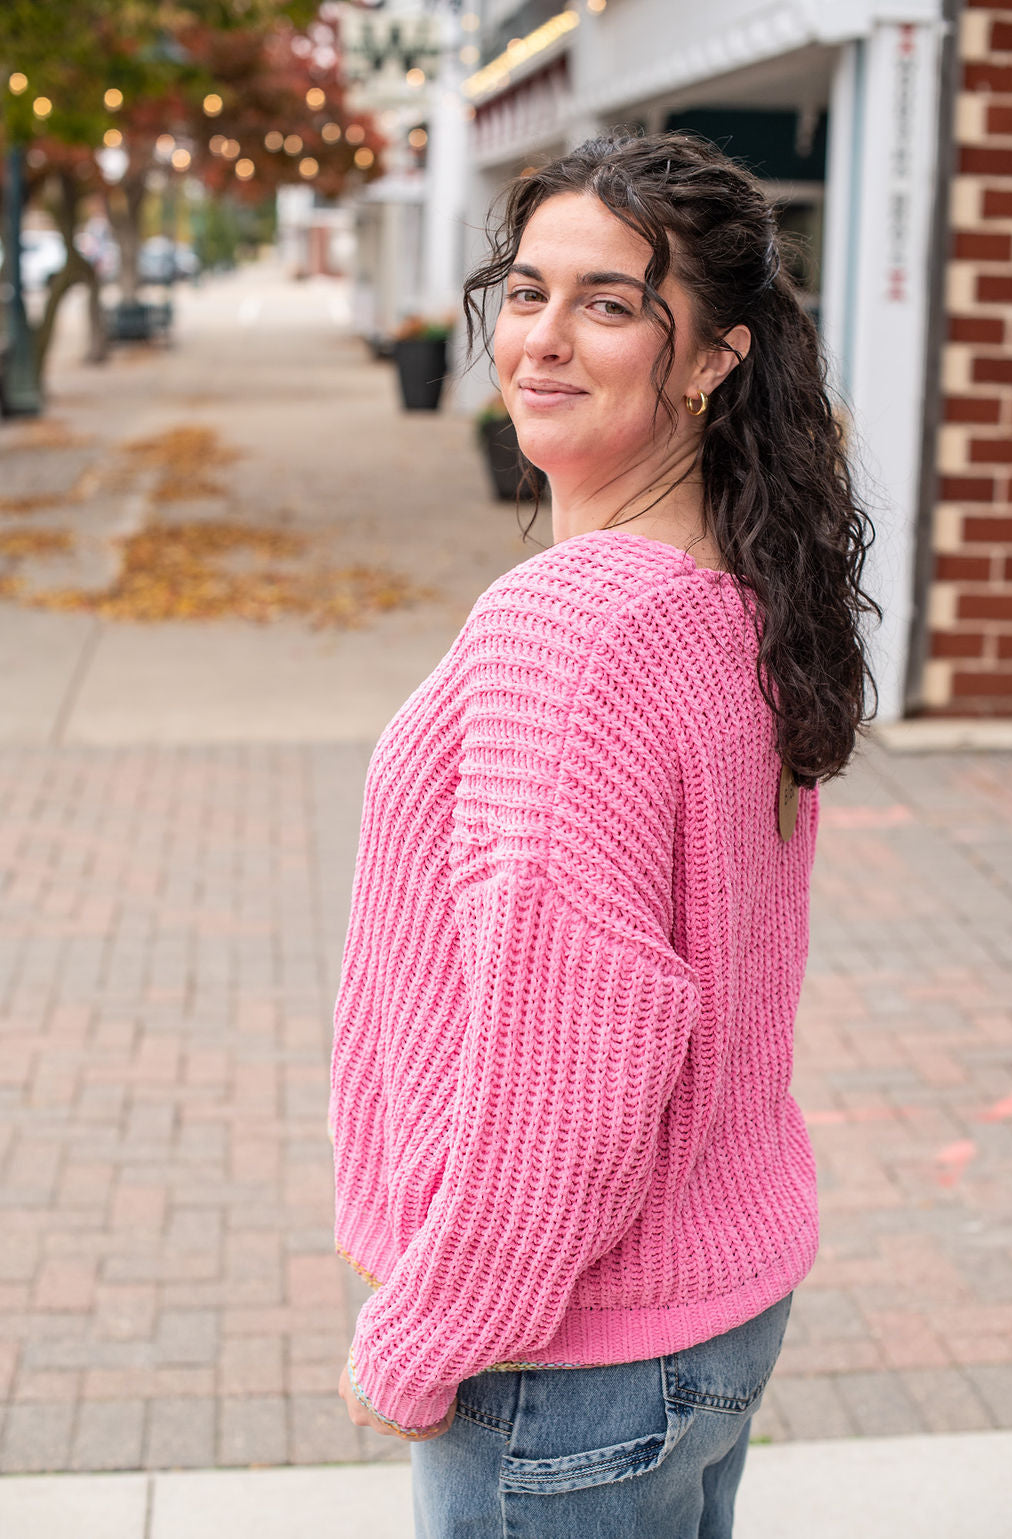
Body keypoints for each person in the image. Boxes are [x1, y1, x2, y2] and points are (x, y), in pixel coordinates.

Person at [330, 128, 879, 1537]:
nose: (545, 339)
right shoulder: (731, 596)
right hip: (705, 1323)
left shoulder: (574, 633)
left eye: (611, 303)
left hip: (561, 1365)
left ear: (710, 358)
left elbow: (573, 1056)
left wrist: (426, 1332)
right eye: (527, 291)